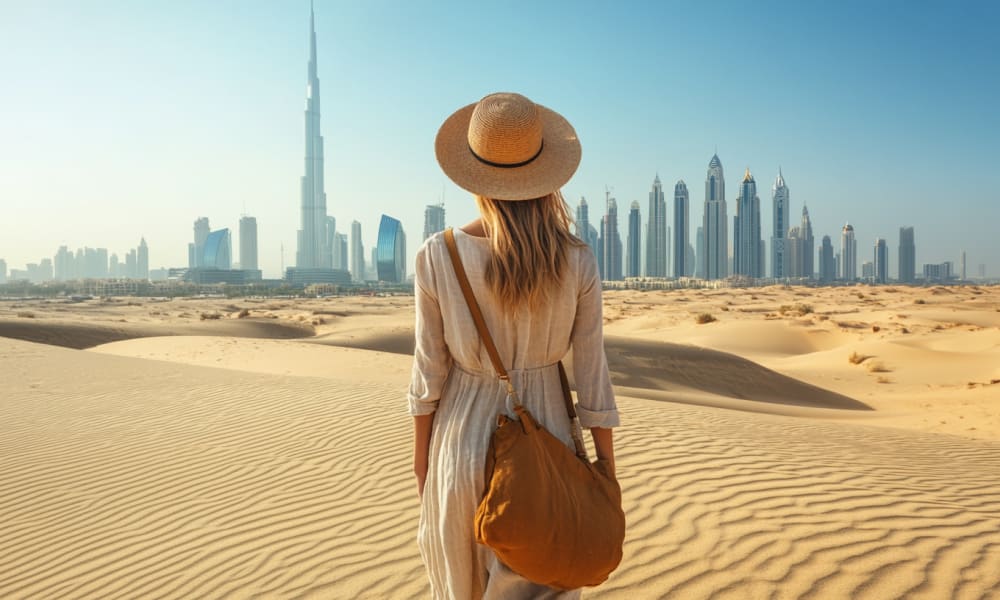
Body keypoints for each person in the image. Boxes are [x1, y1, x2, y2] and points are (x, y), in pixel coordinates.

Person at [408, 92, 620, 599]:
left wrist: (426, 470)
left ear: (474, 174)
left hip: (459, 447)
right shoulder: (577, 260)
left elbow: (428, 378)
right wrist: (605, 476)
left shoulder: (438, 256)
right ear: (546, 174)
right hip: (547, 446)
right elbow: (594, 383)